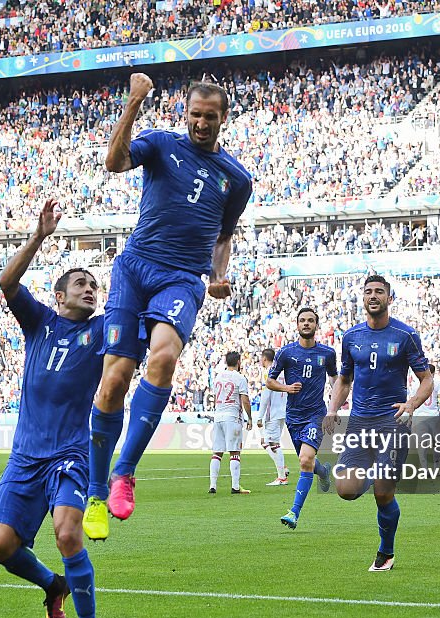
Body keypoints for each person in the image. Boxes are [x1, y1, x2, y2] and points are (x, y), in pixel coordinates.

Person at [83, 74, 253, 541]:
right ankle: (96, 493)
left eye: (210, 116)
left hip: (181, 278)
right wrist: (134, 102)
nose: (201, 123)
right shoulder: (159, 145)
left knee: (162, 359)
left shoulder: (236, 179)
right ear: (186, 113)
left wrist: (218, 275)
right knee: (114, 380)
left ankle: (125, 472)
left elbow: (223, 236)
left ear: (222, 118)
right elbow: (114, 161)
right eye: (195, 114)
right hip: (135, 268)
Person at [0, 198, 104, 618]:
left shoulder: (103, 331)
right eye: (80, 283)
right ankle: (52, 585)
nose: (90, 288)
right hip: (25, 457)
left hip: (71, 456)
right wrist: (38, 235)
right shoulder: (38, 322)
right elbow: (6, 282)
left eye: (94, 284)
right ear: (59, 296)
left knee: (67, 535)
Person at [324, 275, 433, 571]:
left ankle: (386, 552)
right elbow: (344, 380)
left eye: (379, 292)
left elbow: (426, 380)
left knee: (383, 493)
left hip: (392, 422)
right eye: (369, 291)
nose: (373, 296)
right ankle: (377, 470)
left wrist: (411, 403)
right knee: (345, 490)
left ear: (389, 298)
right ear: (363, 298)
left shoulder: (405, 335)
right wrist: (333, 409)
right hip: (360, 424)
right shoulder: (350, 338)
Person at [266, 308, 337, 530]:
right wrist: (286, 388)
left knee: (305, 460)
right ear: (297, 325)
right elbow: (270, 381)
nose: (306, 324)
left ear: (317, 325)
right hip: (293, 416)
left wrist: (334, 408)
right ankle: (323, 472)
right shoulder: (286, 353)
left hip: (316, 414)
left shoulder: (327, 353)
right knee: (307, 461)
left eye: (311, 321)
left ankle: (294, 512)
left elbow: (336, 379)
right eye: (302, 321)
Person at [208, 351, 253, 494]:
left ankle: (212, 486)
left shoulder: (218, 377)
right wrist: (249, 417)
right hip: (232, 417)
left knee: (217, 452)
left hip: (218, 416)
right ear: (238, 362)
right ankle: (235, 486)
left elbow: (215, 397)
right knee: (235, 452)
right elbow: (245, 400)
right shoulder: (240, 378)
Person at [257, 347, 289, 486]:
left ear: (264, 359)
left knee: (273, 443)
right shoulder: (283, 372)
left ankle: (282, 477)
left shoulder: (268, 373)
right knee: (265, 441)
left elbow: (266, 395)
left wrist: (260, 416)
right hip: (283, 410)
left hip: (273, 412)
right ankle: (283, 467)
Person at [411, 363, 440, 468]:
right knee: (437, 442)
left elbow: (411, 402)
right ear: (433, 373)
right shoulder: (437, 383)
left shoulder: (415, 384)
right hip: (433, 416)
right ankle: (436, 466)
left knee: (422, 443)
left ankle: (424, 467)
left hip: (419, 416)